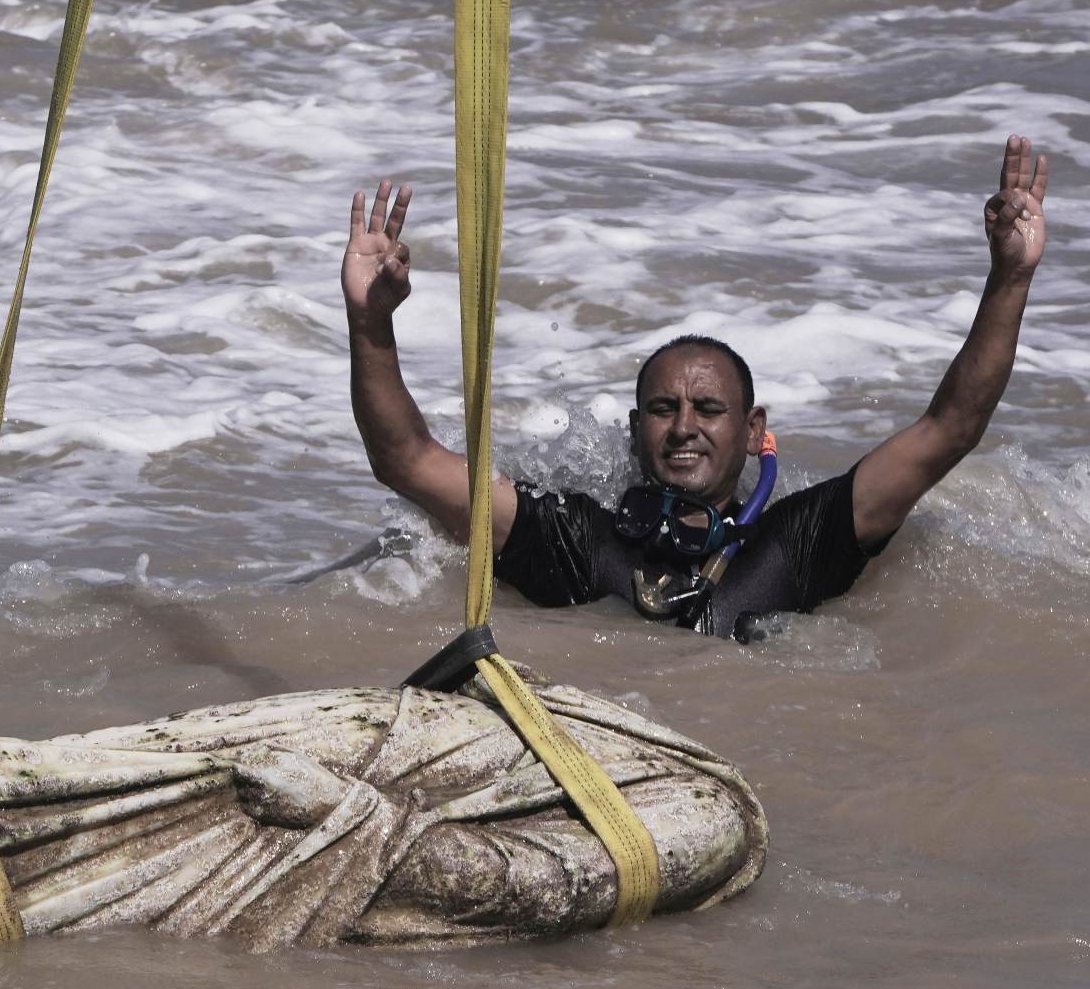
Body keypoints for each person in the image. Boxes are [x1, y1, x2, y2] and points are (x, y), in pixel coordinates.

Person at [342, 135, 1048, 640]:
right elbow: (404, 459)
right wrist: (370, 322)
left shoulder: (794, 542)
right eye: (662, 408)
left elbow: (950, 427)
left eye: (709, 408)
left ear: (752, 430)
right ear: (634, 427)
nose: (684, 425)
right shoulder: (576, 540)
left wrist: (1009, 277)